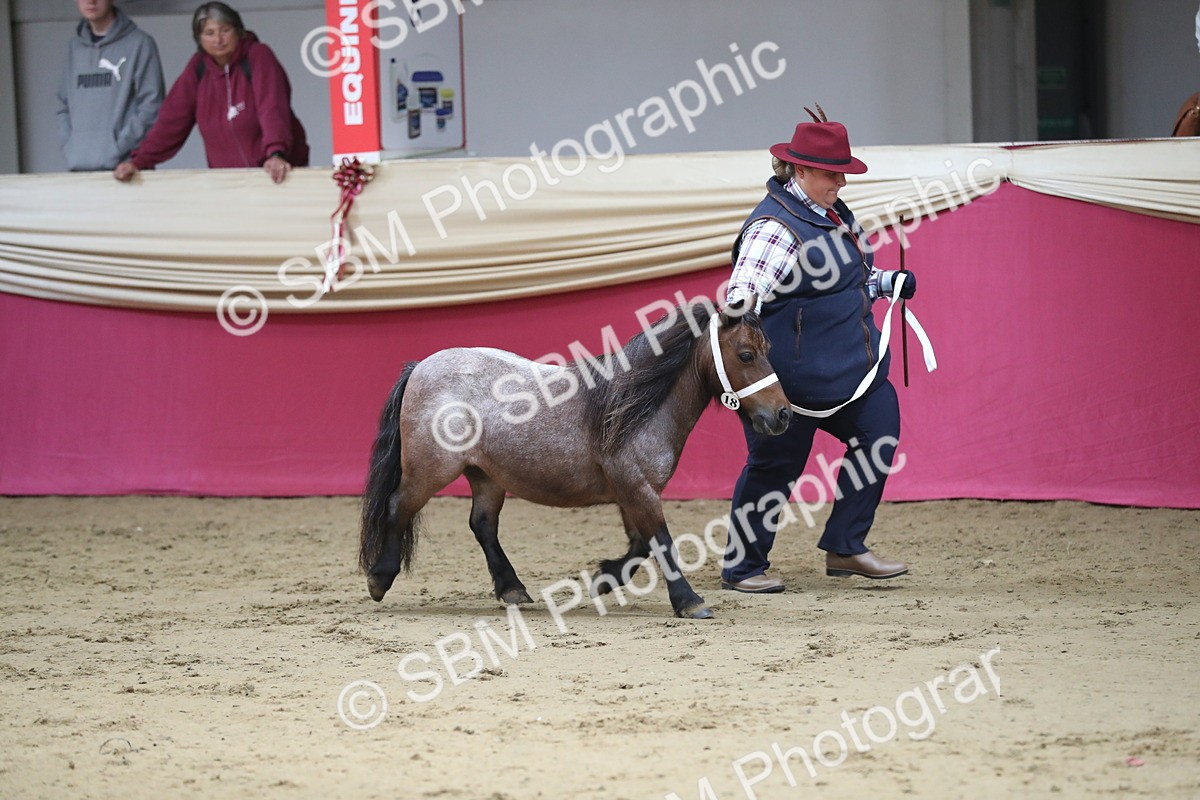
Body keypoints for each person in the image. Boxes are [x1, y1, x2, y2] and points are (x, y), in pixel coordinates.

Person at [720, 110, 917, 593]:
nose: (840, 183)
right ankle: (743, 568)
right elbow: (740, 302)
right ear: (800, 171)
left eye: (842, 174)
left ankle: (845, 547)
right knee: (773, 468)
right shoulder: (774, 228)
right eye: (832, 174)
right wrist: (748, 381)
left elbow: (840, 280)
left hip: (852, 372)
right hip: (786, 382)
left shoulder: (831, 214)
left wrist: (884, 282)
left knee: (879, 434)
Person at [114, 2, 309, 184]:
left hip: (275, 173)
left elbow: (272, 108)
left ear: (238, 31)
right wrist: (139, 161)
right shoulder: (197, 68)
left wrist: (276, 154)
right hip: (228, 181)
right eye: (209, 33)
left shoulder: (258, 55)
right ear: (198, 39)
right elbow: (171, 122)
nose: (218, 39)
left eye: (225, 30)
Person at [57, 0, 164, 172]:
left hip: (125, 170)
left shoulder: (140, 43)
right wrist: (70, 146)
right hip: (79, 169)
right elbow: (63, 104)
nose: (91, 1)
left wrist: (118, 147)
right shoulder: (74, 48)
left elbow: (152, 106)